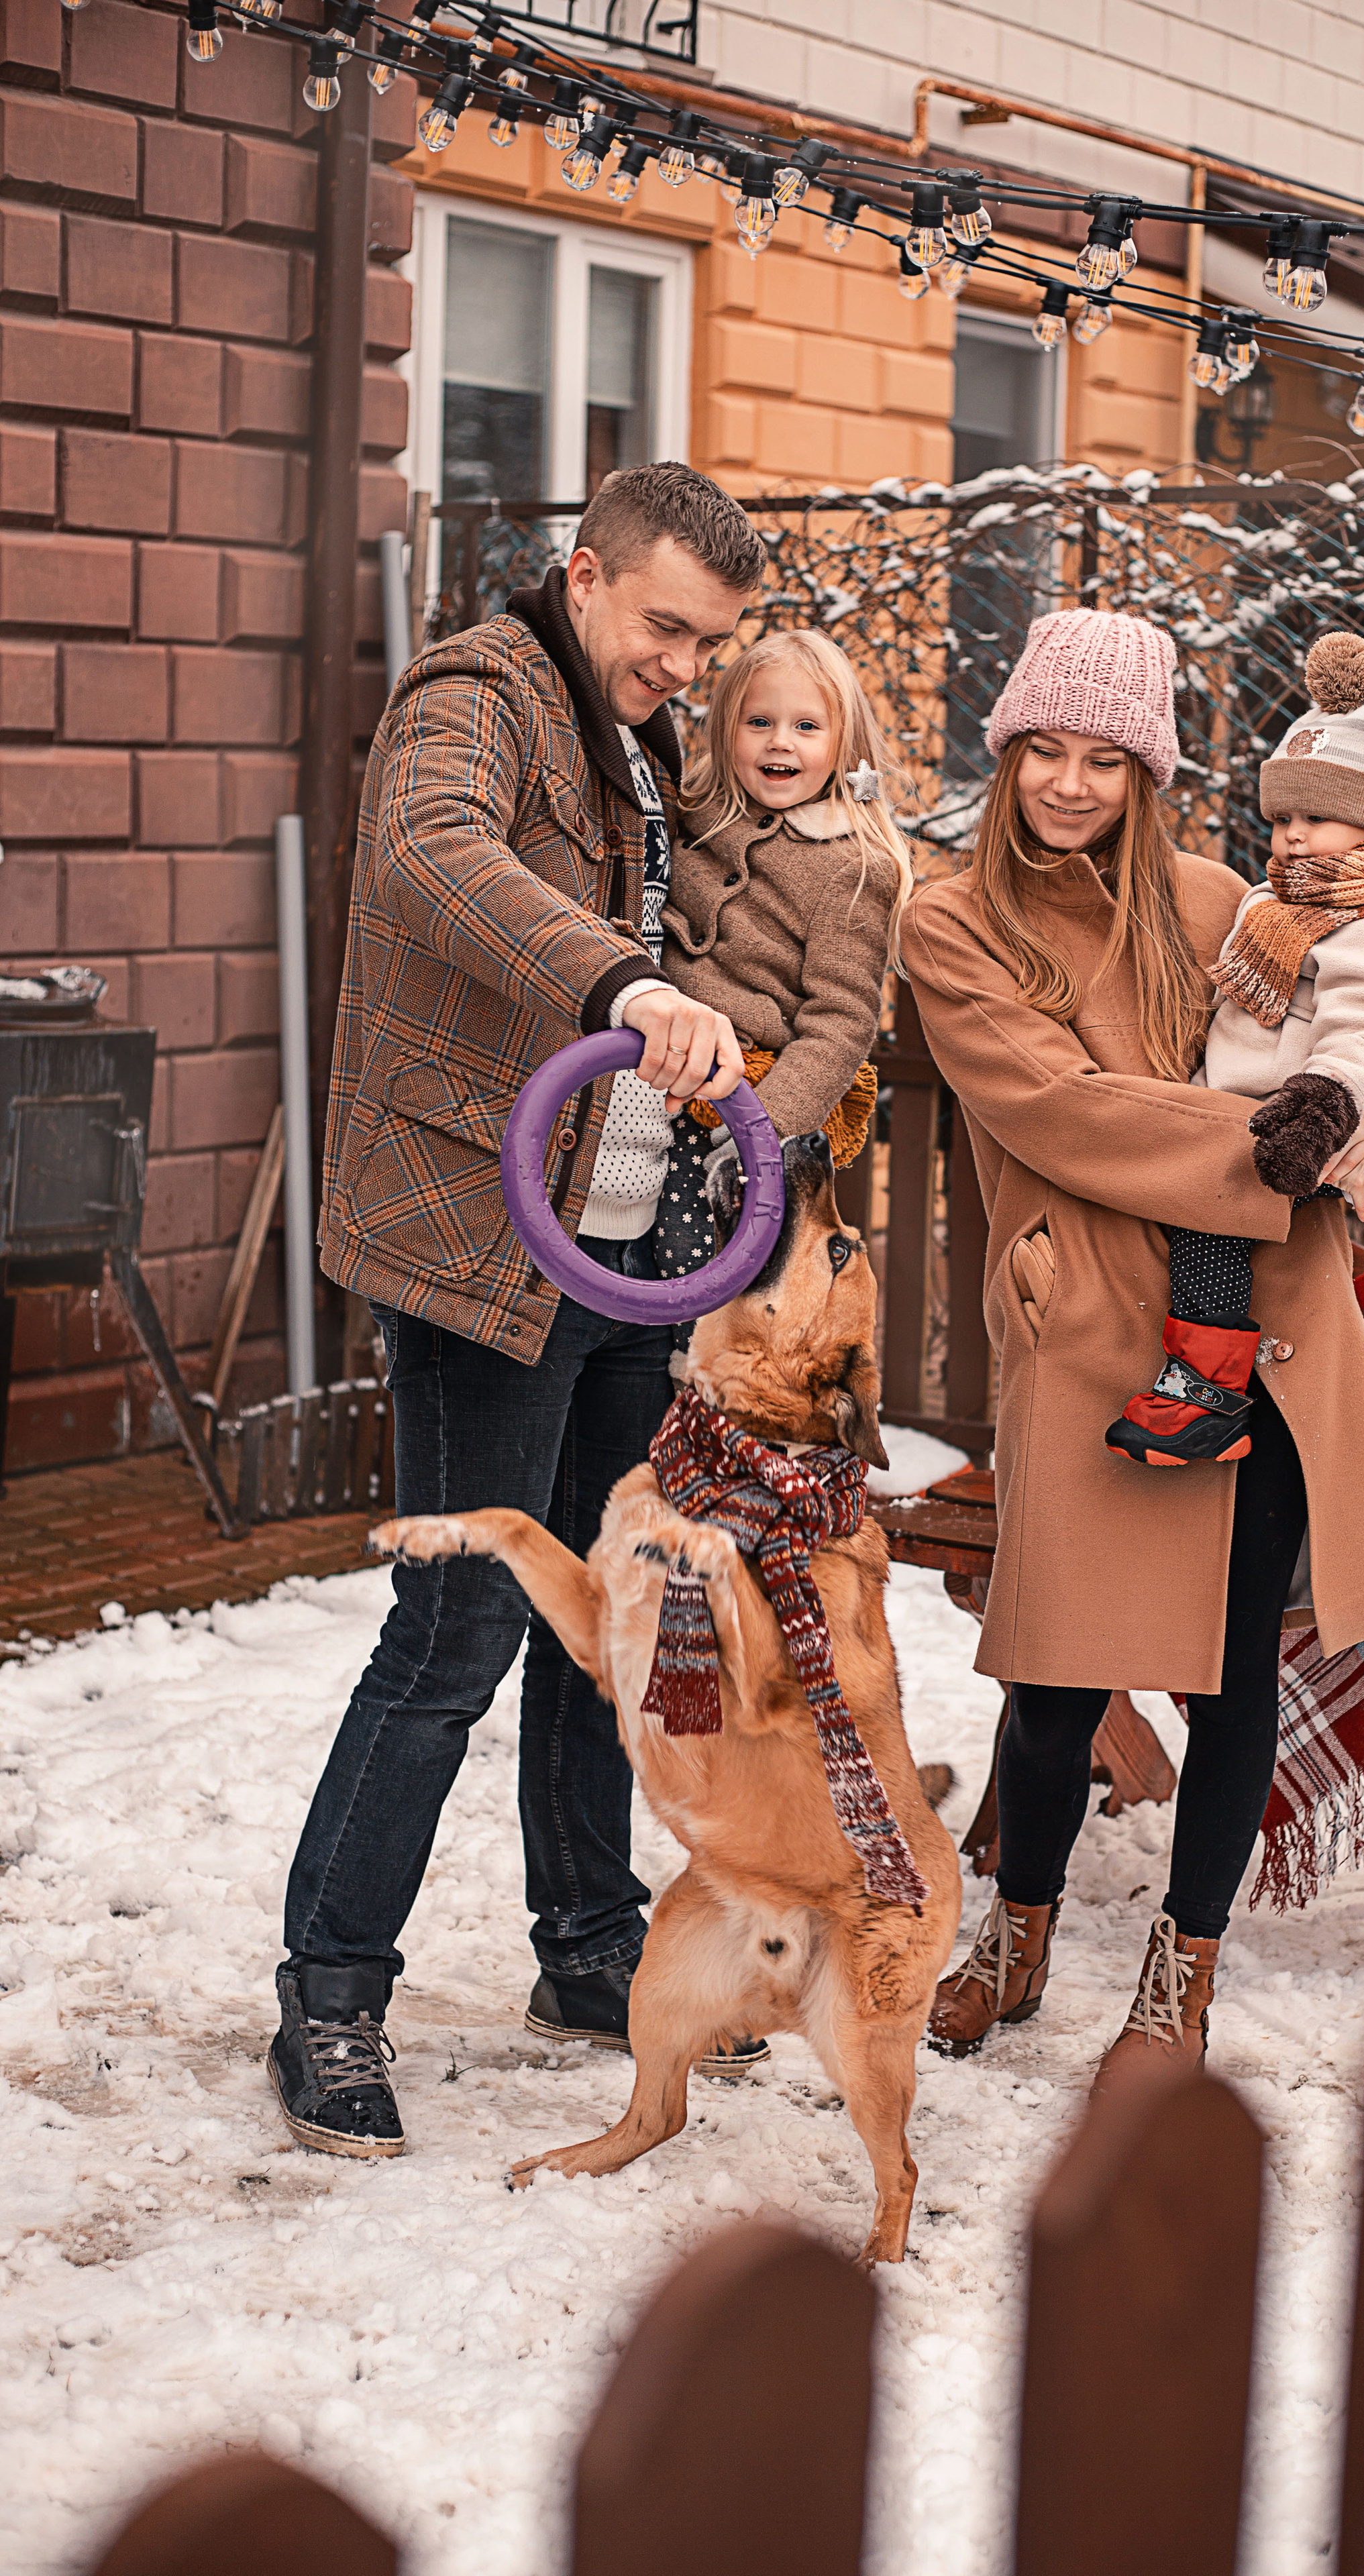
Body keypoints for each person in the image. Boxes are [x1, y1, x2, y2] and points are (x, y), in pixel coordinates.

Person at [270, 464, 770, 2160]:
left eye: (709, 644)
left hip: (623, 1241)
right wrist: (622, 982)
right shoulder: (475, 692)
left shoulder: (641, 738)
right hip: (487, 1245)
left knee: (605, 1613)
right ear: (585, 575)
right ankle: (330, 1991)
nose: (684, 666)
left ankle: (587, 1948)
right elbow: (431, 854)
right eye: (666, 628)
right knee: (457, 1630)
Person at [897, 606, 1364, 2083]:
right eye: (1045, 751)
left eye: (1106, 759)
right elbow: (1064, 1111)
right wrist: (1301, 1150)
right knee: (1055, 1676)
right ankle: (1016, 1935)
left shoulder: (1222, 903)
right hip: (1089, 1317)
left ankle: (1179, 1974)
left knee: (1227, 1675)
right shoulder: (951, 923)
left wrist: (1357, 1120)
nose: (1070, 784)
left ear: (1148, 773)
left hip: (1256, 1318)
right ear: (1007, 754)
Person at [1106, 628, 1364, 1468]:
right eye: (1282, 817)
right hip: (1260, 1109)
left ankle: (1204, 1393)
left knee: (1211, 1224)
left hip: (1311, 1111)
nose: (1292, 835)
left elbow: (1363, 1023)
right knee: (1202, 1225)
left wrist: (1324, 1111)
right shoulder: (1278, 904)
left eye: (1317, 817)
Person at [652, 629, 914, 1318]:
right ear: (726, 730)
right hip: (646, 1063)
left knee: (691, 1260)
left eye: (806, 727)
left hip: (737, 1098)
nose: (780, 743)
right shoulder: (694, 814)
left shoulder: (851, 867)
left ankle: (690, 1368)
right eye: (759, 722)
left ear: (842, 742)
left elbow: (840, 1022)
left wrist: (758, 1133)